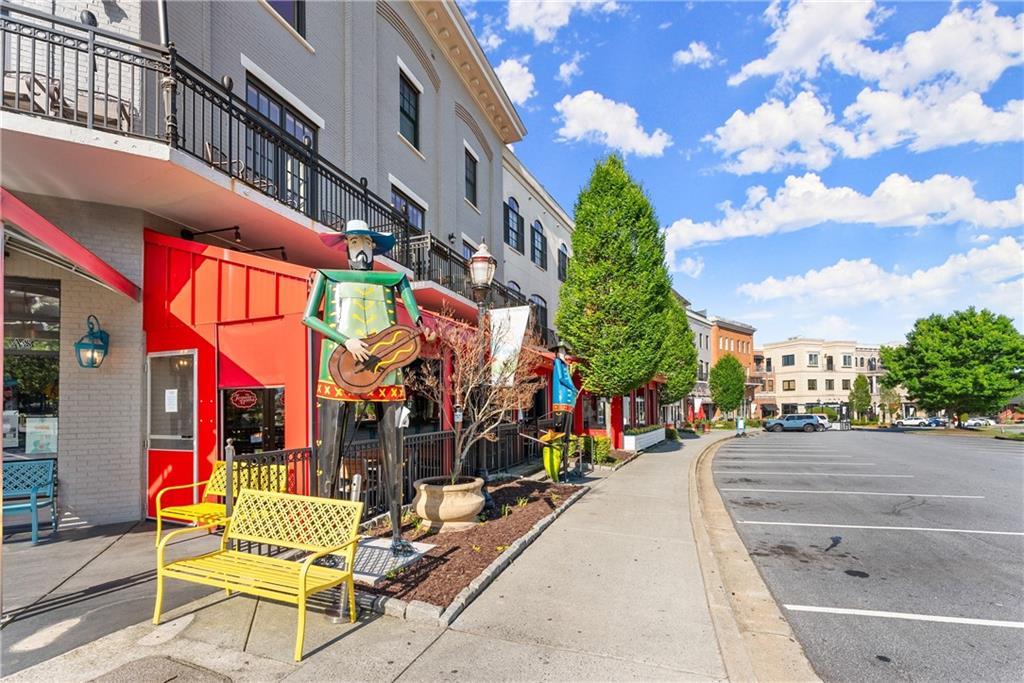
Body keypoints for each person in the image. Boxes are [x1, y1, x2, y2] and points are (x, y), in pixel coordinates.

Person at [303, 219, 431, 555]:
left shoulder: (392, 280)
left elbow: (415, 314)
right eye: (354, 241)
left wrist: (421, 323)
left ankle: (398, 535)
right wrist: (346, 340)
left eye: (366, 242)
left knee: (394, 453)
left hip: (387, 370)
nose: (360, 247)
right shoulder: (327, 277)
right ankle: (326, 539)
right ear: (346, 245)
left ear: (374, 246)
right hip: (338, 368)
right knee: (329, 455)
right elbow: (309, 317)